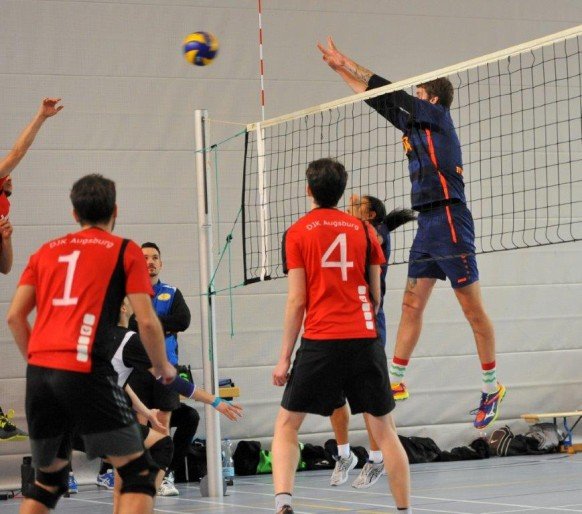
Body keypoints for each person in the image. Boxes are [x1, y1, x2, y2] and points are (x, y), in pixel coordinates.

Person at [318, 37, 505, 430]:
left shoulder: (437, 117)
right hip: (427, 224)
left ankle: (491, 388)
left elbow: (391, 91)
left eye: (419, 94)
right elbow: (377, 99)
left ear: (431, 100)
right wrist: (339, 71)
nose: (414, 98)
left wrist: (348, 59)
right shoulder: (414, 126)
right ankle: (397, 380)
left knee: (472, 310)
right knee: (410, 304)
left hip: (451, 221)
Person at [6, 174, 177, 514]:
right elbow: (146, 321)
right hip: (83, 368)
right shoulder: (124, 250)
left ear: (74, 214)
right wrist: (162, 366)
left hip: (39, 374)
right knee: (140, 474)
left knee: (47, 483)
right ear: (115, 210)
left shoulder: (45, 252)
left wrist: (40, 363)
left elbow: (14, 317)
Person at [272, 158, 411, 514]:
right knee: (386, 431)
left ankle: (283, 503)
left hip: (321, 340)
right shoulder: (364, 230)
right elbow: (377, 295)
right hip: (364, 338)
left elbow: (297, 300)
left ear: (308, 190)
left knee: (287, 425)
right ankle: (404, 510)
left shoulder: (297, 232)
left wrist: (284, 358)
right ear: (342, 190)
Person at [330, 195, 416, 489]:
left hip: (369, 322)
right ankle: (344, 454)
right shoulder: (352, 232)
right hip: (341, 321)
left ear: (370, 215)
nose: (350, 206)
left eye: (357, 206)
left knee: (370, 398)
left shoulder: (375, 233)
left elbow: (364, 245)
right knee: (334, 392)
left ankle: (377, 458)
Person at [127, 241, 191, 495]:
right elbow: (129, 324)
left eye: (155, 257)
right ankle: (139, 475)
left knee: (162, 422)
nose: (150, 262)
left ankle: (162, 477)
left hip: (166, 366)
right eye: (145, 258)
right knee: (140, 423)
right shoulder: (130, 293)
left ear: (161, 264)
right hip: (136, 368)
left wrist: (150, 323)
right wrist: (163, 326)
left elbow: (182, 320)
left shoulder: (172, 293)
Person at [0, 98, 63, 275]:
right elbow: (17, 153)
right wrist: (41, 117)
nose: (9, 177)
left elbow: (5, 268)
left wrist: (6, 240)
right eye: (6, 174)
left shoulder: (4, 207)